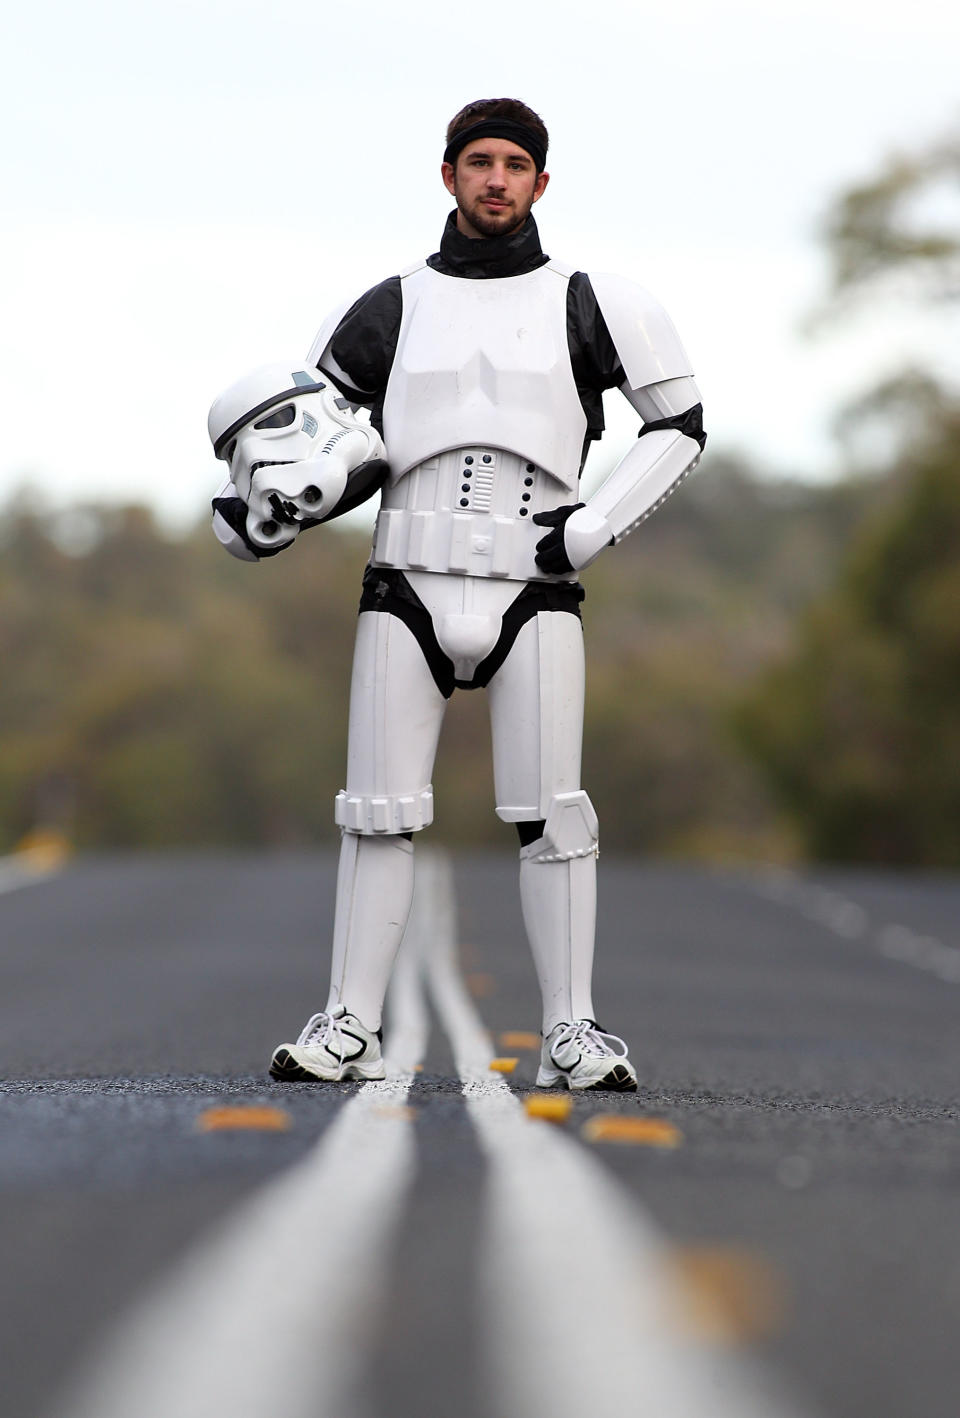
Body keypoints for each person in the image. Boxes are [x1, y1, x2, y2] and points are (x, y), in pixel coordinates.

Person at [208, 97, 706, 1090]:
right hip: (407, 579)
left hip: (538, 580)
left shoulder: (594, 303)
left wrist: (593, 527)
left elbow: (680, 424)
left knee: (555, 813)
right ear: (448, 174)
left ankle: (573, 1026)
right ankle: (348, 1020)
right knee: (377, 809)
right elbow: (333, 446)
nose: (495, 179)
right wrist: (272, 509)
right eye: (478, 161)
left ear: (540, 182)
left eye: (514, 164)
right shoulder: (387, 306)